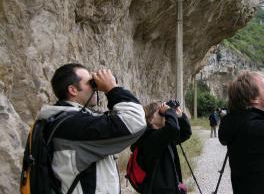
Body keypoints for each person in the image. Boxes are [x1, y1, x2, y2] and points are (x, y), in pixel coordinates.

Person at [39, 63, 146, 194]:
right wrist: (112, 89)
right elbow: (134, 121)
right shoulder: (72, 125)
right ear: (73, 90)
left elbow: (113, 121)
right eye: (90, 82)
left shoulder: (65, 121)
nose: (95, 87)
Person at [135, 101, 192, 194]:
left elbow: (186, 133)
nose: (164, 114)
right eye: (160, 112)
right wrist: (169, 111)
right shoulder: (149, 139)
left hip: (171, 187)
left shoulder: (164, 137)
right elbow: (173, 128)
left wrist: (180, 116)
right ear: (150, 120)